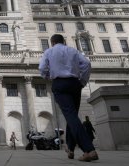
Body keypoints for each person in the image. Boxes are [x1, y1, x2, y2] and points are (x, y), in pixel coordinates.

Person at [39, 34, 98, 162]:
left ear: (52, 42)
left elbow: (42, 68)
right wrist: (83, 81)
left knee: (71, 115)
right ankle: (70, 148)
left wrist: (48, 76)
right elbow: (87, 63)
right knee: (72, 115)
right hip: (75, 83)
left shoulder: (49, 51)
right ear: (63, 41)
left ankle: (89, 150)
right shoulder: (73, 50)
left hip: (60, 84)